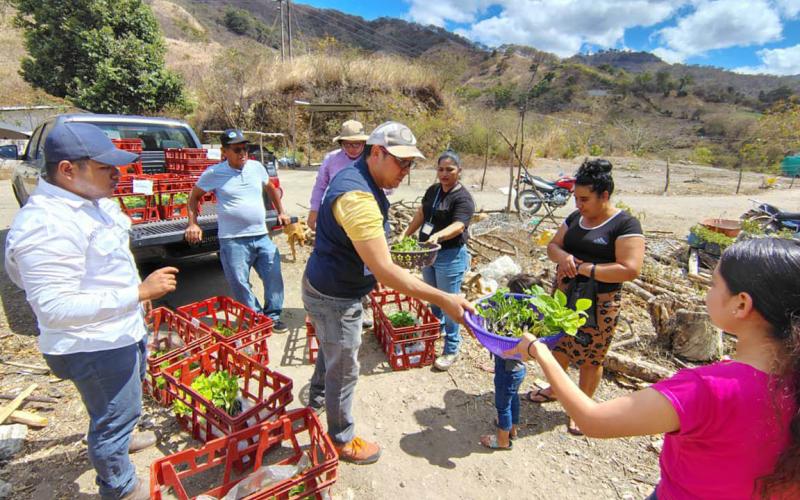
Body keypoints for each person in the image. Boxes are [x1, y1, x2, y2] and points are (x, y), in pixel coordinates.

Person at [506, 238, 800, 499]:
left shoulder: (707, 389)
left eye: (714, 284)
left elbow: (594, 421)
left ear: (741, 304)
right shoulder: (789, 382)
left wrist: (539, 351)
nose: (708, 292)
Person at [5, 123, 178, 500]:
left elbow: (109, 256)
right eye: (105, 167)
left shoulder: (92, 200)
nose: (118, 173)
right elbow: (53, 307)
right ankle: (119, 485)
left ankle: (120, 438)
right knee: (113, 415)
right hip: (93, 344)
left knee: (119, 406)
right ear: (68, 169)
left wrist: (134, 296)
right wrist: (136, 292)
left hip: (117, 330)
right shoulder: (46, 225)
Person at [303, 121, 474, 465]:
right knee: (345, 367)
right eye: (402, 163)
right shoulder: (357, 196)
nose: (406, 172)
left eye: (411, 165)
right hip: (335, 296)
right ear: (377, 152)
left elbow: (372, 253)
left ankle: (317, 397)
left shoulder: (360, 176)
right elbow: (383, 270)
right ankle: (340, 439)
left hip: (329, 284)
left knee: (331, 349)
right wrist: (444, 299)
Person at [527, 158, 645, 436]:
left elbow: (630, 269)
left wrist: (586, 269)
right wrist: (565, 257)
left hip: (599, 303)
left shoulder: (625, 224)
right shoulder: (575, 219)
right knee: (559, 346)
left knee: (592, 356)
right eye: (576, 198)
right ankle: (556, 389)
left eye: (585, 199)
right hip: (565, 295)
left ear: (605, 196)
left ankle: (582, 408)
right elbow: (553, 246)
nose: (579, 205)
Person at [185, 129, 291, 333]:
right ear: (225, 152)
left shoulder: (256, 167)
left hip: (261, 235)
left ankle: (273, 316)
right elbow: (194, 197)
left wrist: (282, 212)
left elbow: (271, 189)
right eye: (237, 149)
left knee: (273, 276)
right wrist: (193, 223)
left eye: (245, 148)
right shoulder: (214, 174)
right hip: (232, 239)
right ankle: (256, 317)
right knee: (240, 283)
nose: (243, 153)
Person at [402, 149, 475, 371]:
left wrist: (438, 236)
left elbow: (459, 225)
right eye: (441, 169)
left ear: (459, 171)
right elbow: (422, 214)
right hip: (426, 254)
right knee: (433, 297)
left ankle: (452, 347)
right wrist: (405, 233)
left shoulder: (463, 198)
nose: (444, 174)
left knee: (449, 302)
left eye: (450, 170)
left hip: (449, 256)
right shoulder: (433, 190)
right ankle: (435, 330)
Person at [479, 273, 536, 450]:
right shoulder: (530, 321)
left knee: (502, 406)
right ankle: (513, 429)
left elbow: (506, 350)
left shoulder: (510, 320)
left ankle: (503, 441)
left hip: (508, 371)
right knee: (513, 399)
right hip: (517, 370)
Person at [307, 119, 369, 231]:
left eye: (356, 145)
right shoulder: (332, 159)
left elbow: (385, 187)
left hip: (364, 213)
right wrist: (314, 210)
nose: (351, 149)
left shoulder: (371, 160)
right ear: (341, 144)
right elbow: (320, 186)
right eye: (347, 145)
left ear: (364, 143)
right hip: (335, 213)